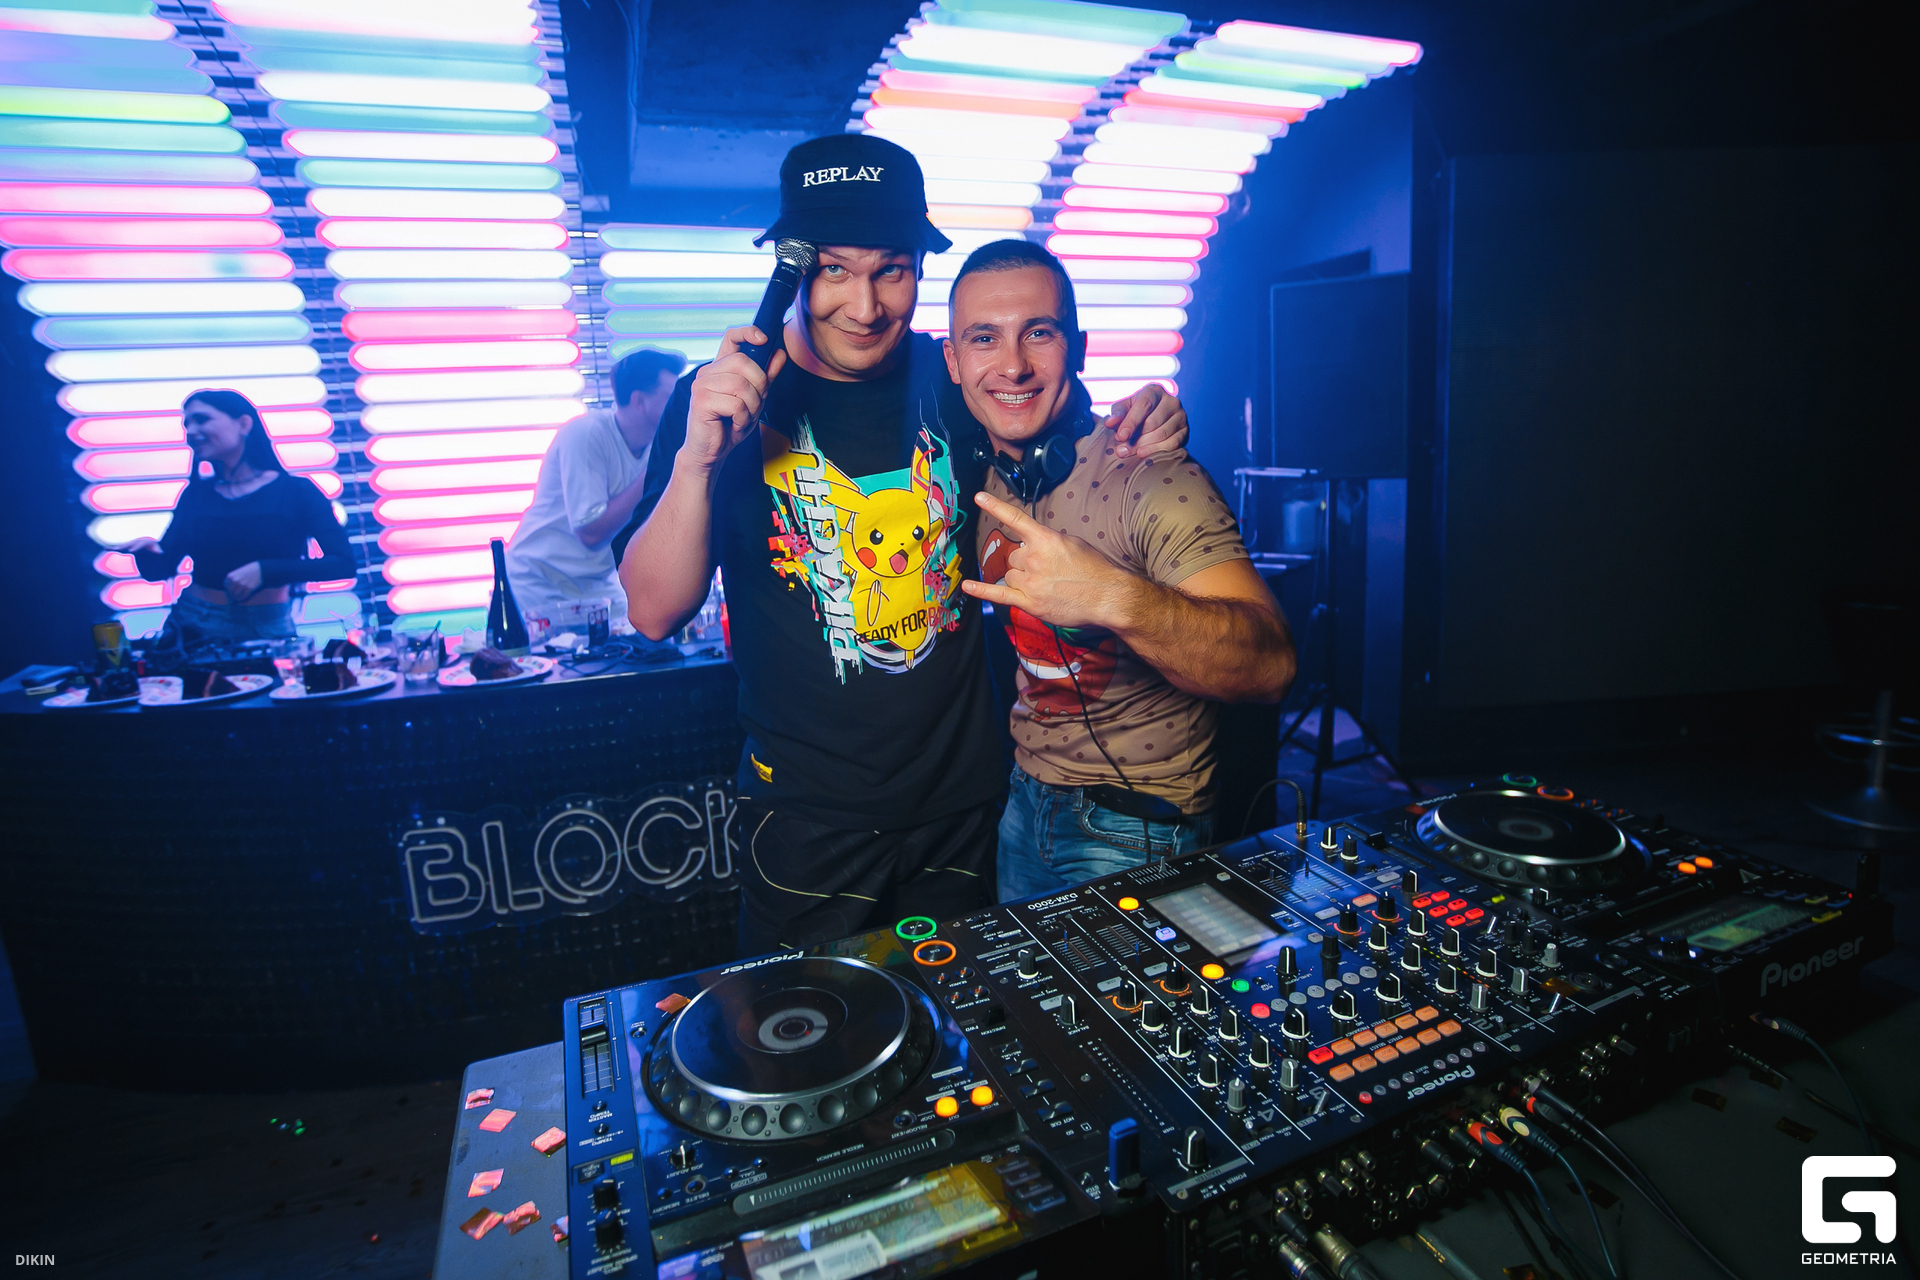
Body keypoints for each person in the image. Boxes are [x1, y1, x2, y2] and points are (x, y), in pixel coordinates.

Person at [620, 133, 1191, 954]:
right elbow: (652, 612)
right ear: (792, 273)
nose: (865, 307)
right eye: (835, 271)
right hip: (808, 822)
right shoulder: (717, 399)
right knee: (812, 1030)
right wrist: (697, 459)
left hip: (963, 810)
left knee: (975, 1025)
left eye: (890, 271)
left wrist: (1150, 416)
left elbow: (1066, 425)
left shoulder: (955, 375)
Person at [946, 240, 1298, 901]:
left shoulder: (1150, 474)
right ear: (954, 362)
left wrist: (1112, 596)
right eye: (984, 338)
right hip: (1022, 802)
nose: (1013, 365)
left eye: (1039, 333)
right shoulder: (983, 470)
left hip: (1137, 825)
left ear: (1078, 348)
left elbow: (1271, 665)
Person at [126, 388, 354, 644]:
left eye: (201, 419)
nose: (190, 431)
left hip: (268, 626)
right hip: (193, 624)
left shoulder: (297, 491)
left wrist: (265, 570)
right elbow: (161, 571)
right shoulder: (196, 495)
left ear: (244, 424)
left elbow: (343, 564)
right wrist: (145, 552)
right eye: (186, 424)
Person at [506, 346, 686, 627]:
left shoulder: (657, 446)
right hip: (540, 581)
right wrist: (652, 474)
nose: (682, 404)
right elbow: (590, 532)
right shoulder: (586, 433)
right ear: (639, 401)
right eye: (671, 396)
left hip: (595, 585)